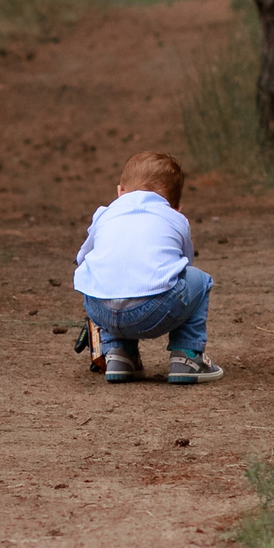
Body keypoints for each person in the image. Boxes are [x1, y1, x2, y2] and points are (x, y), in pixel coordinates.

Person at [70, 150, 223, 384]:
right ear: (176, 206)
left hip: (101, 312)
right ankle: (187, 357)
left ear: (120, 192)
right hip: (155, 311)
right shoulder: (176, 218)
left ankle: (119, 355)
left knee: (104, 278)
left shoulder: (104, 214)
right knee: (199, 280)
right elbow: (183, 265)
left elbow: (82, 259)